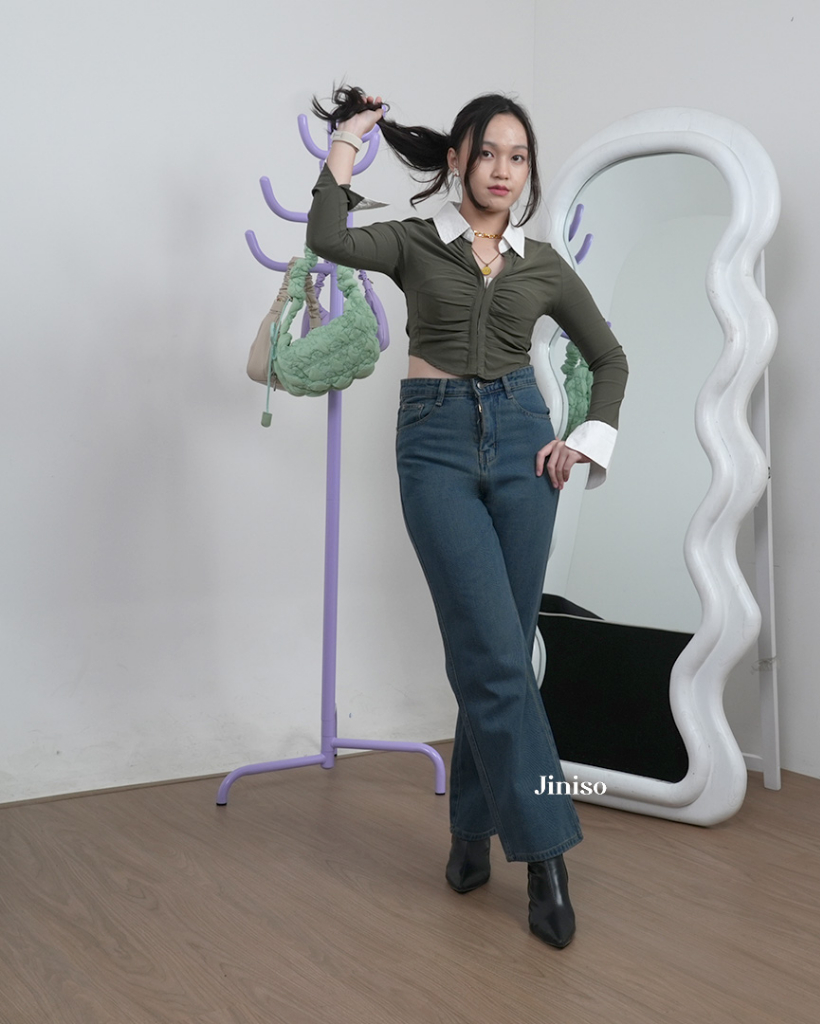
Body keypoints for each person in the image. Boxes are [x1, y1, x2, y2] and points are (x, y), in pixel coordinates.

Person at [306, 85, 628, 949]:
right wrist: (347, 141)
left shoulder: (543, 263)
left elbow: (609, 358)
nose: (502, 170)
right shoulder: (416, 241)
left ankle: (469, 831)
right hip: (436, 448)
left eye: (518, 157)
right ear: (457, 160)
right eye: (488, 153)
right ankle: (548, 855)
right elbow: (329, 238)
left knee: (499, 655)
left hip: (525, 446)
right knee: (493, 654)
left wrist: (584, 440)